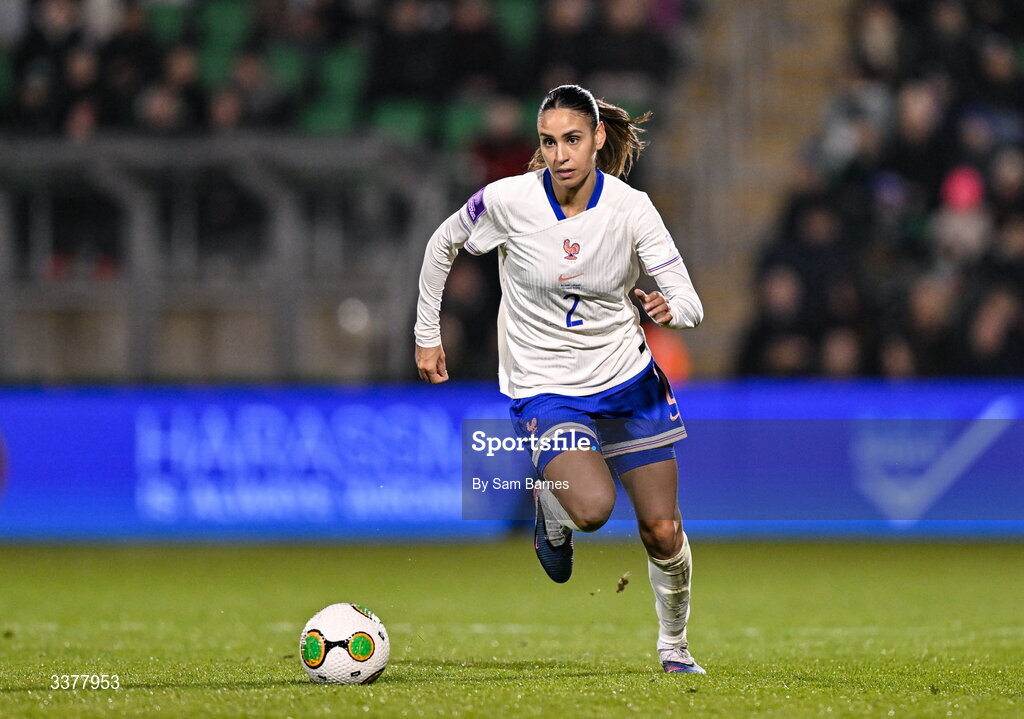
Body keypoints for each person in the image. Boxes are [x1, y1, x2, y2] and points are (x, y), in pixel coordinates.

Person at [414, 84, 705, 674]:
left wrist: (672, 310)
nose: (560, 154)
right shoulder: (507, 201)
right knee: (593, 507)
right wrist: (426, 332)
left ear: (598, 138)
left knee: (663, 531)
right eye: (548, 142)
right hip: (546, 385)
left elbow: (689, 300)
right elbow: (443, 243)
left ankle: (674, 646)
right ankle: (553, 511)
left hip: (628, 380)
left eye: (572, 139)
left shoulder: (631, 208)